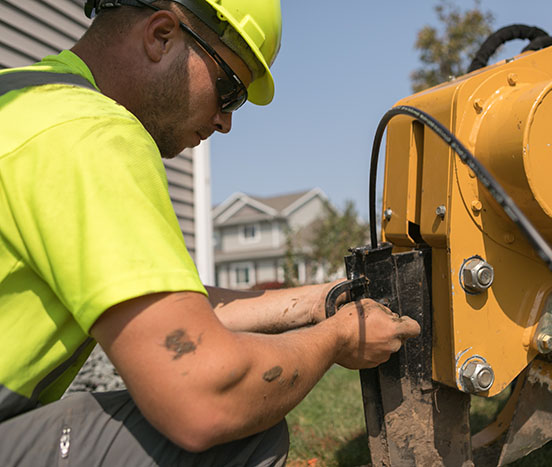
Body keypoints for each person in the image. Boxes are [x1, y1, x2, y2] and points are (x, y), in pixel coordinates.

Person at [0, 0, 421, 465]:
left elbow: (167, 313)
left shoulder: (26, 102)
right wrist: (339, 338)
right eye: (229, 90)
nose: (225, 121)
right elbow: (205, 399)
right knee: (239, 432)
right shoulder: (92, 134)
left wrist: (322, 301)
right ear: (161, 36)